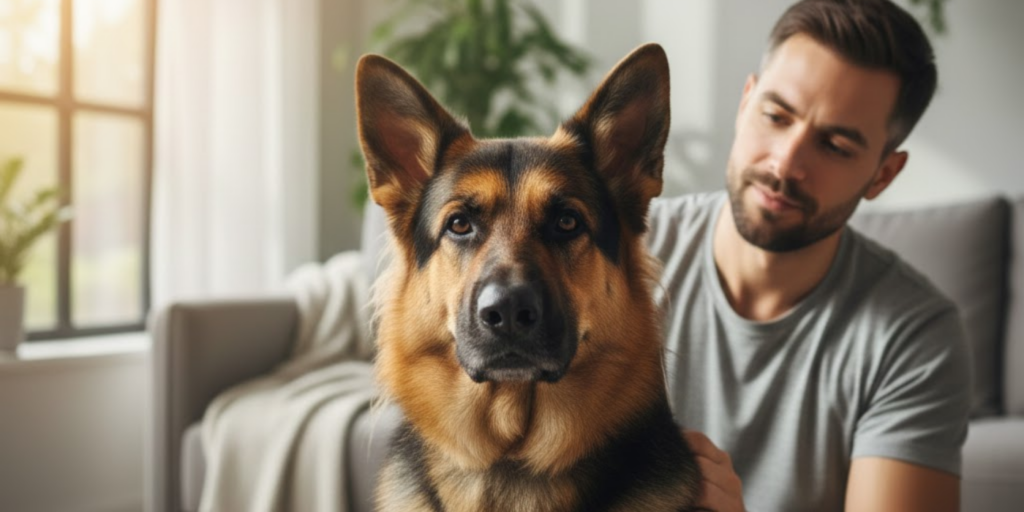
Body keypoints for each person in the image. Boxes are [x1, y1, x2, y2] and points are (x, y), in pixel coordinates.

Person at [646, 0, 972, 510]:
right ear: (745, 102)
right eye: (776, 116)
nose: (786, 163)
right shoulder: (624, 250)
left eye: (836, 145)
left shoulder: (914, 336)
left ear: (883, 175)